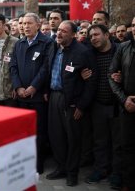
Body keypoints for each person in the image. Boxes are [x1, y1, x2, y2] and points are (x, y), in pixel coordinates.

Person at [46, 20, 97, 187]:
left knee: (73, 139)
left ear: (74, 34)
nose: (59, 34)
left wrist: (81, 105)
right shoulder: (54, 47)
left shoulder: (82, 52)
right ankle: (61, 167)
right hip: (54, 98)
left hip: (72, 102)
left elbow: (91, 82)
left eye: (64, 31)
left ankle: (72, 173)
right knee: (56, 136)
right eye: (58, 30)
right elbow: (48, 70)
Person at [10, 12, 53, 174]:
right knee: (22, 132)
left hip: (37, 96)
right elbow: (13, 67)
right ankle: (23, 162)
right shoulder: (19, 43)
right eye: (24, 23)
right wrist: (18, 86)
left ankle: (37, 164)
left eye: (29, 23)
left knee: (39, 132)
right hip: (21, 95)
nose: (25, 26)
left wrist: (34, 87)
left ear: (38, 25)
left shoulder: (47, 43)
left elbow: (46, 67)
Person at [81, 24, 122, 189]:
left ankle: (117, 174)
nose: (93, 39)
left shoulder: (120, 50)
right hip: (97, 104)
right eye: (91, 36)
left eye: (97, 35)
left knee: (118, 143)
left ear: (106, 35)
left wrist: (123, 77)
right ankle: (100, 170)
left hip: (118, 104)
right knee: (99, 141)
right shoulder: (90, 54)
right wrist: (82, 75)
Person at [109, 16, 135, 191]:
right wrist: (124, 99)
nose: (134, 28)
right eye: (133, 25)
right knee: (127, 148)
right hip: (127, 107)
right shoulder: (124, 48)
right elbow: (112, 75)